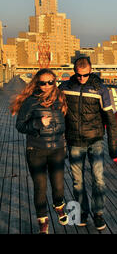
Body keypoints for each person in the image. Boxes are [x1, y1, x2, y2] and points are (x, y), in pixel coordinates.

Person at [59, 57, 117, 231]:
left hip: (95, 141)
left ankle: (98, 214)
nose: (82, 79)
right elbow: (57, 113)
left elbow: (110, 119)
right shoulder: (64, 89)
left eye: (85, 75)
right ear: (74, 72)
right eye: (78, 75)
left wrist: (113, 145)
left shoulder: (101, 89)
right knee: (77, 182)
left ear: (90, 71)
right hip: (74, 140)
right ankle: (83, 212)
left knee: (98, 179)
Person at [11, 69, 69, 234]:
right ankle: (42, 220)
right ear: (37, 83)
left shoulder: (61, 98)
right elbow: (20, 126)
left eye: (50, 82)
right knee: (40, 187)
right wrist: (38, 124)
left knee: (58, 186)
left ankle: (58, 205)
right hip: (36, 150)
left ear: (54, 81)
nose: (47, 86)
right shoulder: (30, 102)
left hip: (57, 149)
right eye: (43, 82)